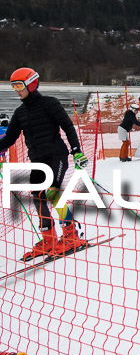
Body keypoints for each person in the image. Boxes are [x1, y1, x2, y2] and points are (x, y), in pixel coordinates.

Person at [0, 68, 89, 260]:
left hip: (56, 155)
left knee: (53, 193)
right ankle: (49, 239)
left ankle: (72, 233)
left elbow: (68, 127)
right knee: (38, 196)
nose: (17, 90)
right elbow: (10, 137)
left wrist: (77, 151)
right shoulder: (20, 113)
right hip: (38, 160)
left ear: (31, 84)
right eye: (14, 86)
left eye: (19, 85)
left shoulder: (50, 104)